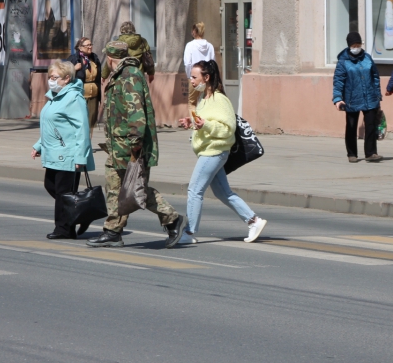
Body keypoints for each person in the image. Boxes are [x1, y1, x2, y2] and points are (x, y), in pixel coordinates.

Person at [87, 41, 186, 249]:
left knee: (136, 189)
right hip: (117, 146)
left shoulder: (129, 75)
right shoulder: (123, 74)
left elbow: (136, 113)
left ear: (111, 59)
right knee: (114, 187)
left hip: (130, 147)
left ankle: (172, 218)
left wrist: (135, 144)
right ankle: (112, 231)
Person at [177, 60, 267, 244]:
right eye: (191, 77)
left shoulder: (220, 100)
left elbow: (227, 129)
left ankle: (188, 233)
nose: (191, 80)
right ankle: (254, 221)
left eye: (194, 77)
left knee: (194, 190)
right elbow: (205, 121)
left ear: (207, 77)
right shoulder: (205, 99)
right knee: (223, 193)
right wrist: (192, 122)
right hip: (208, 151)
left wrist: (206, 124)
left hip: (214, 152)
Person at [31, 60, 96, 239]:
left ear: (67, 79)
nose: (51, 81)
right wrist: (39, 146)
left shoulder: (74, 98)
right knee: (51, 186)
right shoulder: (55, 96)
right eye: (50, 77)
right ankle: (80, 212)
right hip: (53, 152)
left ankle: (64, 229)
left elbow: (82, 129)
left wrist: (80, 157)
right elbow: (51, 126)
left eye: (55, 77)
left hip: (68, 154)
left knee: (63, 193)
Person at [332, 31, 383, 163]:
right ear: (349, 46)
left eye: (358, 44)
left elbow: (375, 76)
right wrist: (337, 98)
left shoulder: (367, 58)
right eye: (354, 45)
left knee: (371, 125)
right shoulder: (343, 61)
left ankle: (371, 153)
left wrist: (377, 94)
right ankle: (352, 153)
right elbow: (338, 80)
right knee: (351, 126)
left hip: (370, 97)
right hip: (351, 99)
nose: (356, 47)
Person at [67, 37, 101, 130]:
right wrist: (74, 69)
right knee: (80, 121)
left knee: (90, 122)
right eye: (87, 45)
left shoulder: (94, 58)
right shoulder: (74, 59)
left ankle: (88, 143)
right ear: (80, 48)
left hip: (93, 95)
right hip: (79, 95)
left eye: (91, 45)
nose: (90, 47)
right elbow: (63, 73)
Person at [183, 22, 215, 113]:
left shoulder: (190, 45)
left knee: (192, 102)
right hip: (206, 78)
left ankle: (195, 123)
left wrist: (190, 76)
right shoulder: (210, 46)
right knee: (208, 101)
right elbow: (213, 63)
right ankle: (206, 122)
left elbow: (188, 63)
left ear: (194, 31)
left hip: (194, 77)